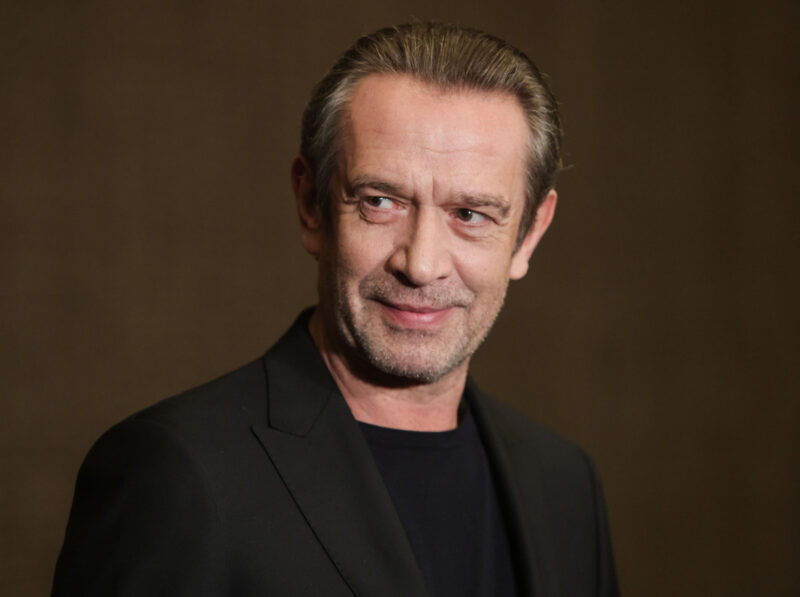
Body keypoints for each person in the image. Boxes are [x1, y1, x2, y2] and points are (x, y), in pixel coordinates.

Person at [52, 22, 619, 597]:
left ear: (528, 234)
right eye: (381, 201)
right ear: (311, 204)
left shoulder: (565, 486)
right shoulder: (176, 471)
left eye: (470, 215)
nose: (421, 265)